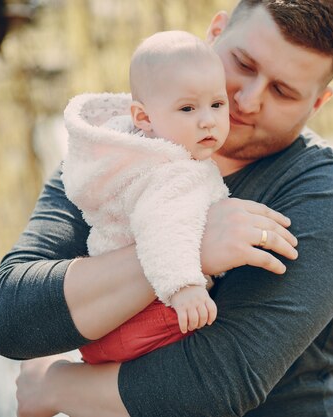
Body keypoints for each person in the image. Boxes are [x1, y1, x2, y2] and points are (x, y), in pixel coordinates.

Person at [0, 1, 333, 416]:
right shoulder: (114, 152)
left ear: (317, 104)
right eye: (242, 63)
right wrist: (188, 246)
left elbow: (215, 384)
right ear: (215, 33)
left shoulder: (330, 196)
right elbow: (9, 318)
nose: (247, 99)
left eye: (283, 91)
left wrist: (57, 387)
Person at [63, 31, 232, 364]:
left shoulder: (143, 157)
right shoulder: (169, 172)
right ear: (143, 118)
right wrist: (185, 287)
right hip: (148, 311)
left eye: (217, 104)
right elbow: (162, 227)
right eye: (187, 108)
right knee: (212, 352)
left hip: (114, 315)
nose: (208, 120)